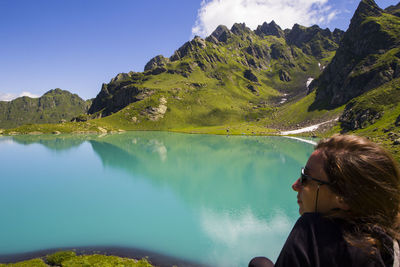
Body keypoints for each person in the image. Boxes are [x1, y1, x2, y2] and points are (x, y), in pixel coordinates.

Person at [249, 134, 400, 267]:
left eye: (305, 178)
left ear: (344, 198)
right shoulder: (389, 243)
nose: (295, 185)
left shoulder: (312, 233)